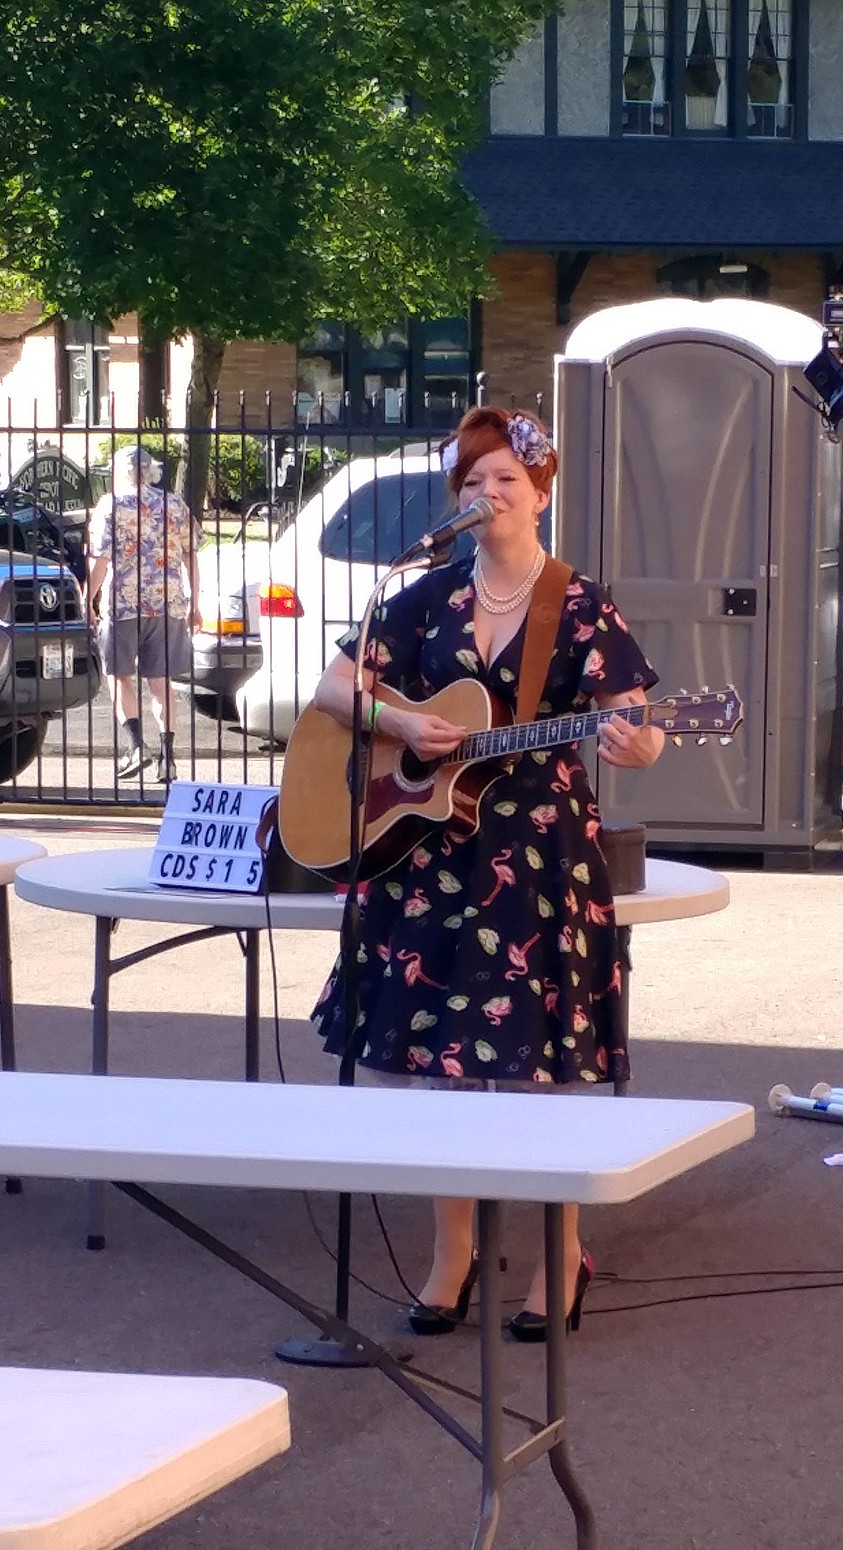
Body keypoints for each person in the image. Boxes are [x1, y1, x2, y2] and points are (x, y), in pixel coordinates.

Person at [310, 406, 665, 1341]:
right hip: (430, 855)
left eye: (506, 478)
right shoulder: (423, 598)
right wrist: (399, 725)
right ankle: (451, 1259)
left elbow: (640, 729)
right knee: (442, 1071)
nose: (487, 495)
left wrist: (634, 744)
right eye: (471, 482)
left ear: (541, 493)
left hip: (539, 858)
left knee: (536, 1072)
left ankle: (560, 1262)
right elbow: (334, 687)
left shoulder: (578, 603)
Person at [87, 445, 202, 783]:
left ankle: (137, 746)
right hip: (167, 604)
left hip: (123, 604)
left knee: (118, 675)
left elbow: (101, 559)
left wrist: (87, 599)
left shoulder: (110, 506)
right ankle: (168, 756)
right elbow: (190, 555)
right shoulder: (174, 504)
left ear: (119, 472)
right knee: (161, 681)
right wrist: (195, 602)